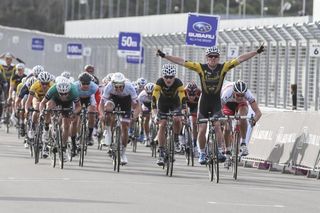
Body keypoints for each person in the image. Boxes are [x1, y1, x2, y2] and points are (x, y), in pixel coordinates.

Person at [157, 44, 264, 165]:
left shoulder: (223, 67)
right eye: (210, 56)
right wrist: (165, 56)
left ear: (219, 58)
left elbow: (240, 59)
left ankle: (219, 151)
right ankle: (202, 153)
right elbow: (181, 61)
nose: (213, 59)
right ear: (206, 57)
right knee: (202, 129)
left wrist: (256, 52)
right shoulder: (200, 67)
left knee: (217, 126)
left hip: (216, 102)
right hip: (204, 102)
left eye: (215, 56)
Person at [99, 72, 138, 165]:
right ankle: (108, 131)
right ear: (112, 84)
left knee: (125, 127)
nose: (119, 89)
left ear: (124, 84)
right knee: (108, 108)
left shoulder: (129, 87)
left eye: (121, 86)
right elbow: (101, 104)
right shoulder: (108, 87)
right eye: (116, 87)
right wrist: (102, 115)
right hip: (113, 99)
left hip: (126, 101)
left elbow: (137, 105)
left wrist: (134, 116)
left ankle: (123, 153)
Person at [152, 64, 186, 166]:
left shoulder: (178, 83)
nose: (168, 79)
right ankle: (161, 151)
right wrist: (154, 113)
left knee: (177, 119)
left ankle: (175, 139)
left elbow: (182, 97)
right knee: (162, 124)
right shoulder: (159, 82)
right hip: (163, 104)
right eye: (166, 77)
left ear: (174, 77)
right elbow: (154, 98)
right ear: (163, 77)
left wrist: (183, 110)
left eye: (171, 77)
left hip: (175, 104)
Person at [221, 80, 262, 157]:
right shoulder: (227, 93)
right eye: (238, 95)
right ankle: (227, 150)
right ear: (233, 92)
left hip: (241, 105)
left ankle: (243, 143)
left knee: (242, 116)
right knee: (227, 126)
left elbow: (258, 113)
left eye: (242, 95)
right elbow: (219, 110)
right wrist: (223, 119)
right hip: (227, 104)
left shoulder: (248, 94)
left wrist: (254, 121)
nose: (240, 97)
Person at [184, 81, 201, 156]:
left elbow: (201, 107)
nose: (191, 97)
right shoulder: (183, 93)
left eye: (193, 95)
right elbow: (181, 105)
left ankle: (194, 144)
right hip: (186, 105)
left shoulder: (200, 93)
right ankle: (182, 140)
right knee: (182, 119)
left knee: (194, 123)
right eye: (190, 95)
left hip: (196, 107)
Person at [137, 82, 155, 146]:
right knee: (146, 119)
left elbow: (159, 105)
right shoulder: (142, 95)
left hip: (154, 104)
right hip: (145, 105)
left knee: (156, 118)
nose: (150, 95)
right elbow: (139, 104)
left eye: (151, 93)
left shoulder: (157, 94)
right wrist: (141, 112)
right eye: (148, 93)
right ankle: (146, 137)